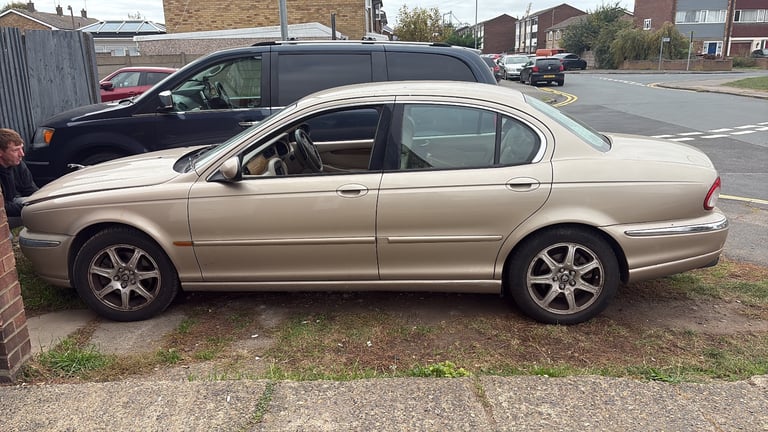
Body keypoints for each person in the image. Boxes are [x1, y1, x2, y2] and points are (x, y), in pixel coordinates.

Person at [0, 128, 39, 229]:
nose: (22, 154)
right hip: (3, 210)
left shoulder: (18, 164)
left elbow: (31, 190)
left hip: (12, 202)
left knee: (44, 210)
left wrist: (41, 203)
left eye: (21, 148)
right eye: (15, 150)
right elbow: (2, 207)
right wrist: (31, 208)